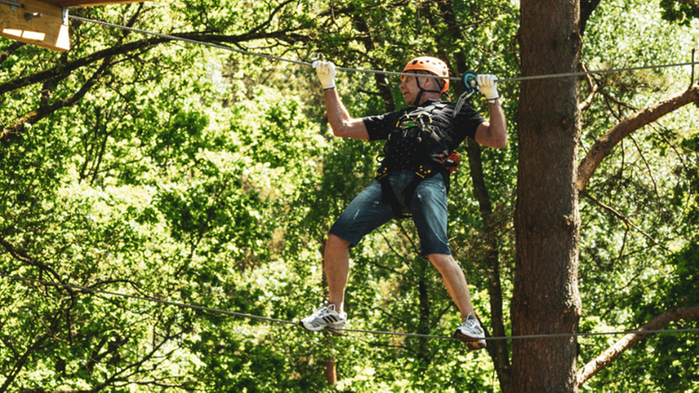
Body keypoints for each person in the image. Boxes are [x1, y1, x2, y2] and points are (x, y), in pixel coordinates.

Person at [299, 56, 507, 350]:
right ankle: (335, 310)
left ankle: (471, 321)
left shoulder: (456, 111)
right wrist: (328, 84)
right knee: (336, 238)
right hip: (387, 184)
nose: (402, 84)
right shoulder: (398, 117)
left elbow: (496, 139)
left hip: (427, 180)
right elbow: (342, 127)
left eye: (408, 78)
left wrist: (493, 99)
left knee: (438, 252)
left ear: (429, 81)